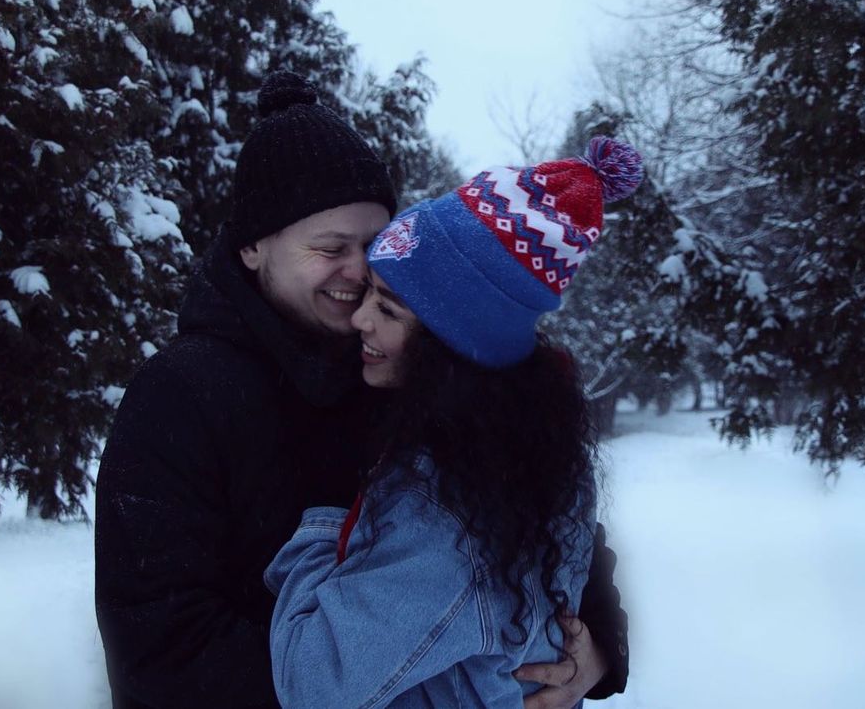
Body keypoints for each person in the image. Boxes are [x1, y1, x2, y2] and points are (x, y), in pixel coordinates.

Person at [94, 71, 629, 709]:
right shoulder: (180, 395)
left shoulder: (413, 366)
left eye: (374, 245)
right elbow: (158, 646)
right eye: (330, 248)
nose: (358, 270)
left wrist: (593, 650)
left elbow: (539, 523)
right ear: (253, 247)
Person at [267, 137, 643, 708]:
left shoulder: (445, 512)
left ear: (450, 349)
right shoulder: (532, 451)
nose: (360, 319)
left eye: (387, 308)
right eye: (368, 293)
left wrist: (326, 519)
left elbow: (312, 683)